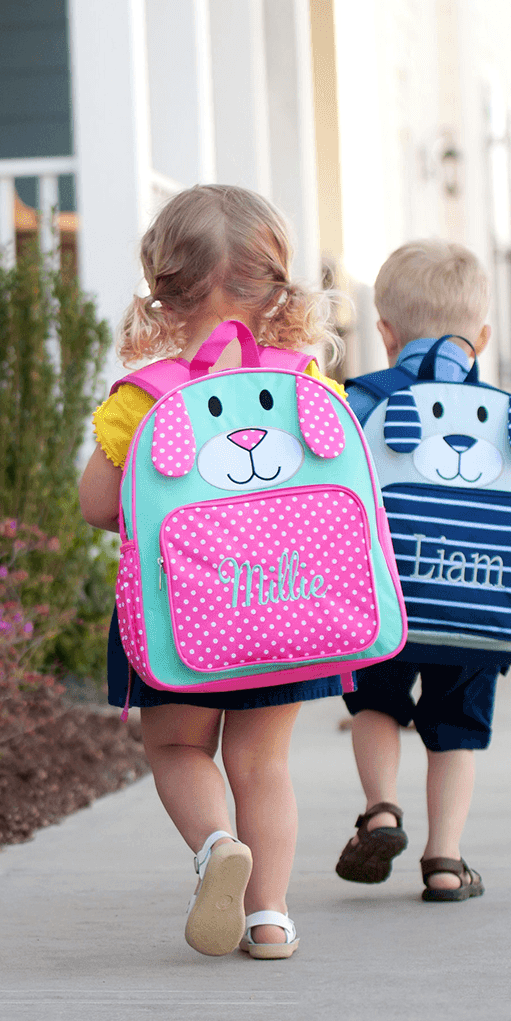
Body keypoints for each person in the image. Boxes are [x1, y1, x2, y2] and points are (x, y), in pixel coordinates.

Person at [78, 185, 345, 959]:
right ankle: (269, 918)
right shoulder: (307, 390)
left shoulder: (149, 398)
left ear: (162, 292)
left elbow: (98, 506)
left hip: (178, 614)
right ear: (278, 288)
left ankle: (215, 845)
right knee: (263, 763)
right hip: (285, 606)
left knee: (179, 750)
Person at [335, 240, 511, 901]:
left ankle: (380, 810)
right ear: (484, 336)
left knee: (375, 703)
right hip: (479, 601)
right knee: (454, 730)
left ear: (385, 332)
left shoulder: (361, 403)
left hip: (385, 599)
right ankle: (445, 859)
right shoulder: (505, 416)